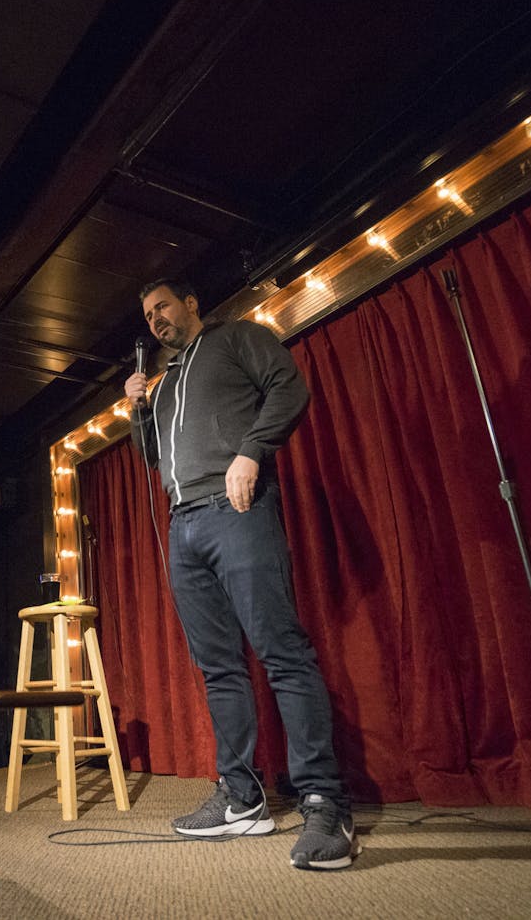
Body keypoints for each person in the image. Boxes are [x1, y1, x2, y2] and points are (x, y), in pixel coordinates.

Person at [125, 277, 358, 870]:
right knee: (217, 665)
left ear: (192, 302)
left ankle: (325, 803)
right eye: (148, 315)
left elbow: (289, 388)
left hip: (236, 509)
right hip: (183, 525)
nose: (155, 320)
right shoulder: (167, 380)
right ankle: (242, 798)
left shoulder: (237, 339)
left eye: (163, 307)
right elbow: (151, 455)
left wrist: (252, 450)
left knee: (281, 651)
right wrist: (138, 409)